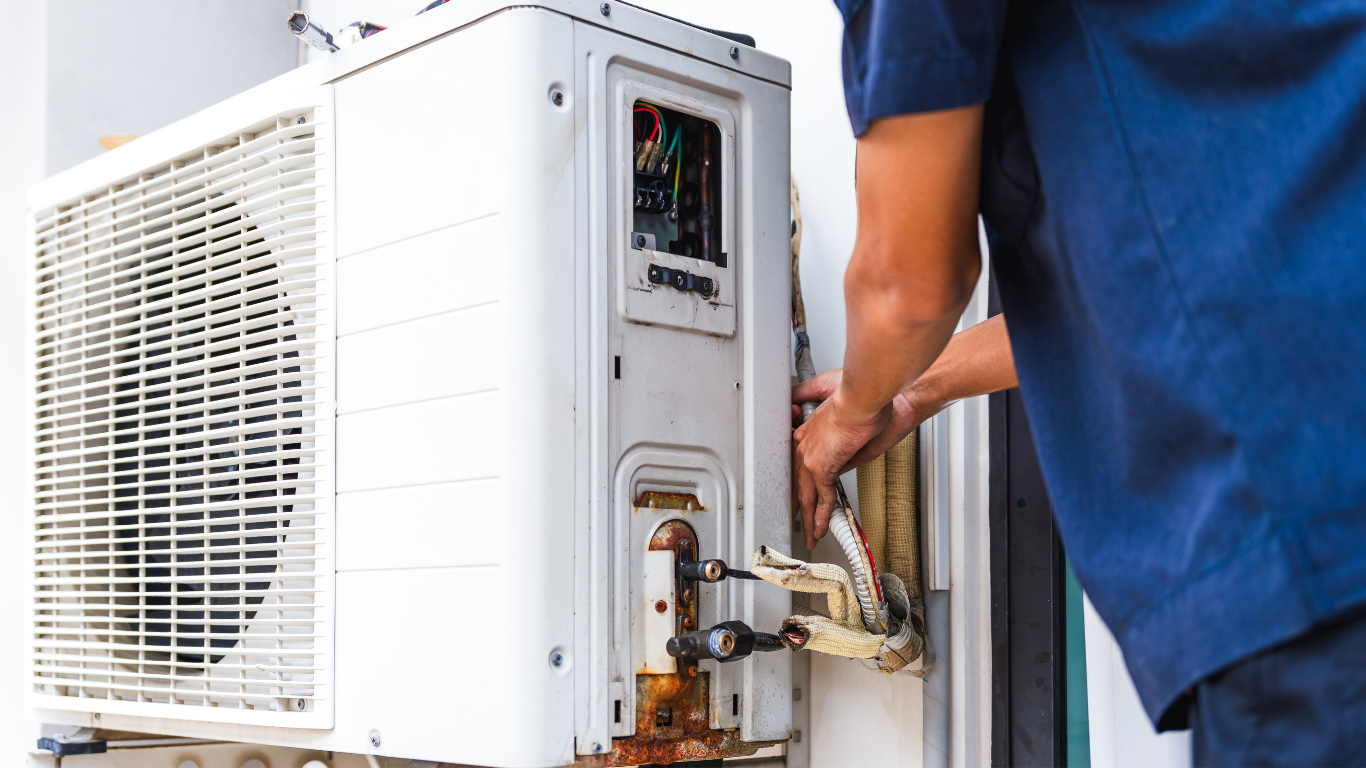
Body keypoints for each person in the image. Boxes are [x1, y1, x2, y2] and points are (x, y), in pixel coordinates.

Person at [791, 0, 1366, 764]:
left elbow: (908, 284)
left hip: (1307, 538)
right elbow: (1154, 282)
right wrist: (910, 393)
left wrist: (850, 413)